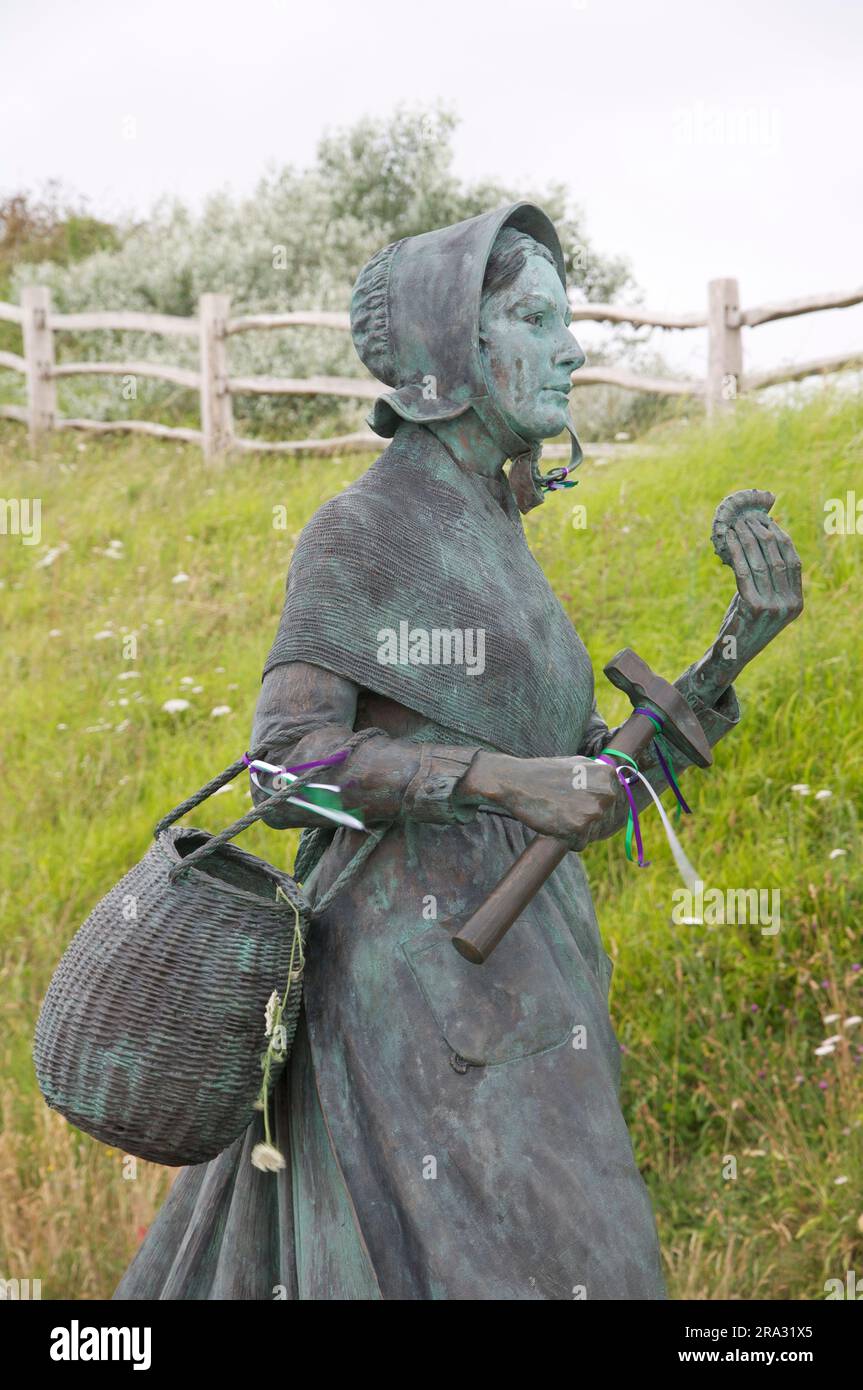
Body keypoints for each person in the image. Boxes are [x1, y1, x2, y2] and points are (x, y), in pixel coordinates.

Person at [114, 203, 800, 1301]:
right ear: (448, 353)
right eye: (533, 317)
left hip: (534, 987)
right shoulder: (363, 530)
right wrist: (491, 780)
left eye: (566, 319)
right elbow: (283, 770)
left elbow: (592, 793)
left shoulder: (499, 536)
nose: (571, 347)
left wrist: (731, 654)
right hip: (411, 1006)